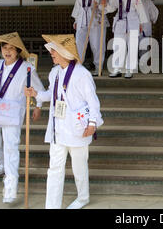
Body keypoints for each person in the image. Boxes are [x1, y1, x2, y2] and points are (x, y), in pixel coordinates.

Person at [24, 34, 103, 209]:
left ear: (65, 52)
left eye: (54, 50)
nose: (51, 53)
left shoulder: (82, 74)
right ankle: (52, 206)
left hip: (77, 127)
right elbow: (51, 96)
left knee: (79, 167)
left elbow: (93, 101)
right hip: (57, 127)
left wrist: (92, 123)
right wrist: (36, 94)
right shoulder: (55, 73)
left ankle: (83, 197)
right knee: (54, 169)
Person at [0, 32, 44, 203]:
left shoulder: (27, 68)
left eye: (12, 48)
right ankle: (3, 163)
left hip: (13, 111)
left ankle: (10, 189)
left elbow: (39, 89)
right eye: (5, 48)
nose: (8, 51)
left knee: (11, 148)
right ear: (1, 50)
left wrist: (38, 106)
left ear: (18, 51)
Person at [100, 0, 149, 79]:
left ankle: (129, 69)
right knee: (118, 45)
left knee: (132, 46)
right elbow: (112, 7)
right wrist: (104, 6)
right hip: (120, 22)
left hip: (133, 21)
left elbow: (140, 10)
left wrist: (142, 24)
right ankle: (117, 69)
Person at [71, 0, 109, 76]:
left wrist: (101, 1)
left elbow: (106, 3)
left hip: (96, 18)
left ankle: (98, 67)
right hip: (82, 17)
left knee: (96, 44)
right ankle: (78, 66)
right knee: (79, 42)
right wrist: (76, 20)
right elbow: (77, 5)